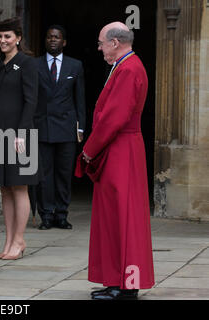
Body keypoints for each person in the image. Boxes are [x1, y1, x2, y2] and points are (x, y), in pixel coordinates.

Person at [76, 22, 155, 300]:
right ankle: (115, 280)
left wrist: (89, 150)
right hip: (118, 147)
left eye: (100, 43)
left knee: (125, 217)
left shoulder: (129, 68)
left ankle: (128, 286)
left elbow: (114, 118)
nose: (98, 48)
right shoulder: (123, 65)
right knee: (112, 218)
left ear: (114, 42)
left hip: (121, 148)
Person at [0, 17, 39, 260]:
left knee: (19, 186)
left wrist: (22, 134)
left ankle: (19, 240)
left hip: (20, 135)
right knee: (4, 187)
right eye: (0, 36)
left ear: (18, 38)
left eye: (7, 36)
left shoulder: (28, 63)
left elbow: (31, 101)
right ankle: (7, 241)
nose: (2, 40)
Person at [33, 25, 86, 230]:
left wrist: (81, 128)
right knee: (44, 175)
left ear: (64, 42)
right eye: (49, 37)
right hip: (42, 125)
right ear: (45, 40)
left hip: (66, 127)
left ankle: (62, 214)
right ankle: (46, 214)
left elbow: (79, 98)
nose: (52, 40)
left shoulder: (75, 65)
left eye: (57, 37)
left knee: (64, 173)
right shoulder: (34, 65)